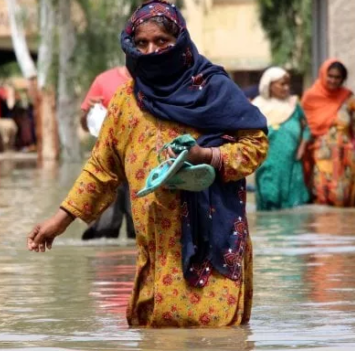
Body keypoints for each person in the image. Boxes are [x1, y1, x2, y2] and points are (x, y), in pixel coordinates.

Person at [27, 0, 268, 327]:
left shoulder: (212, 88)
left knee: (218, 336)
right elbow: (101, 169)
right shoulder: (127, 100)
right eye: (141, 43)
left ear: (179, 42)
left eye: (161, 42)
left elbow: (255, 144)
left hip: (214, 243)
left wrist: (207, 156)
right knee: (157, 331)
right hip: (156, 246)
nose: (151, 50)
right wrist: (59, 221)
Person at [301, 59, 355, 208]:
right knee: (321, 194)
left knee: (342, 197)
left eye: (337, 77)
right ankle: (324, 230)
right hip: (320, 155)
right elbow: (303, 128)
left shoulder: (348, 98)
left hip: (345, 158)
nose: (333, 80)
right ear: (323, 74)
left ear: (343, 79)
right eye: (330, 76)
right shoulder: (310, 97)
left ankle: (342, 230)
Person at [79, 65, 134, 240]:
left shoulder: (159, 80)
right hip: (109, 164)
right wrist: (88, 112)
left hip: (143, 165)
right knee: (104, 231)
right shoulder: (103, 80)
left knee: (143, 231)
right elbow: (85, 126)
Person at [253, 67, 310, 210]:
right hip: (268, 159)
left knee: (291, 199)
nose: (286, 88)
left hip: (291, 160)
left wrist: (301, 149)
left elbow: (307, 128)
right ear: (269, 85)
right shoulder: (258, 106)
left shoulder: (294, 104)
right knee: (268, 195)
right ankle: (269, 229)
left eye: (287, 84)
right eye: (281, 84)